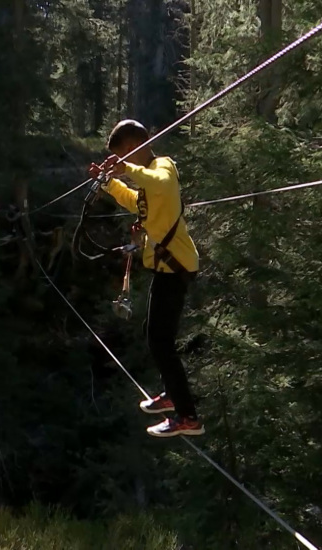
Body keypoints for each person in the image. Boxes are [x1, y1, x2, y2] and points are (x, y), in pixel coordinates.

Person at [88, 119, 204, 438]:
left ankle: (188, 416)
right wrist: (111, 182)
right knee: (153, 334)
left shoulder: (162, 167)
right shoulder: (147, 182)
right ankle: (172, 397)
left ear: (137, 146)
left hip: (176, 267)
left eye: (126, 153)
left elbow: (160, 183)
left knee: (161, 342)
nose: (127, 159)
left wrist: (124, 168)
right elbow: (135, 201)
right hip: (167, 268)